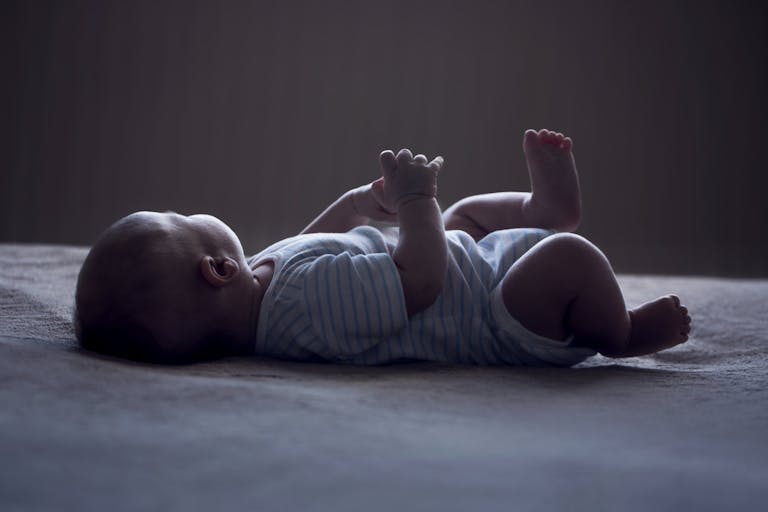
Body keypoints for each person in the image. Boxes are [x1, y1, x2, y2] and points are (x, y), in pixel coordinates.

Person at [74, 129, 692, 365]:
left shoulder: (264, 282)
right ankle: (622, 334)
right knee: (571, 260)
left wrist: (351, 205)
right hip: (499, 316)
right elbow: (419, 282)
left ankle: (545, 213)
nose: (192, 209)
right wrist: (418, 199)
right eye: (182, 216)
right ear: (216, 267)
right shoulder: (301, 311)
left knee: (464, 219)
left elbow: (310, 242)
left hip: (470, 271)